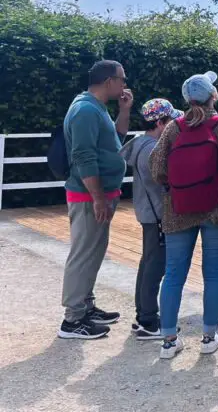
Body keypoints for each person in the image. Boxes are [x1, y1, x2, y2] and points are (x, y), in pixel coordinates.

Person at [150, 72, 218, 359]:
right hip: (217, 209)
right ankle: (208, 337)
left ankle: (168, 340)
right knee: (215, 272)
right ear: (213, 95)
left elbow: (157, 168)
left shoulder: (174, 128)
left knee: (174, 274)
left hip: (179, 207)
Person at [58, 59, 133, 340]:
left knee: (92, 252)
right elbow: (83, 156)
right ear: (108, 81)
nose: (124, 84)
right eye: (121, 79)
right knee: (83, 254)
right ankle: (73, 319)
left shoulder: (95, 107)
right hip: (89, 196)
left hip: (97, 194)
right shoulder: (86, 110)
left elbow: (115, 139)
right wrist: (98, 198)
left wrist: (124, 111)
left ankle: (85, 307)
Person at [121, 98, 181, 340]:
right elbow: (163, 180)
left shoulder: (142, 144)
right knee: (155, 266)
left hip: (148, 213)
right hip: (157, 214)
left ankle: (143, 315)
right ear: (160, 122)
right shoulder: (151, 149)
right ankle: (148, 319)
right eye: (170, 121)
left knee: (148, 263)